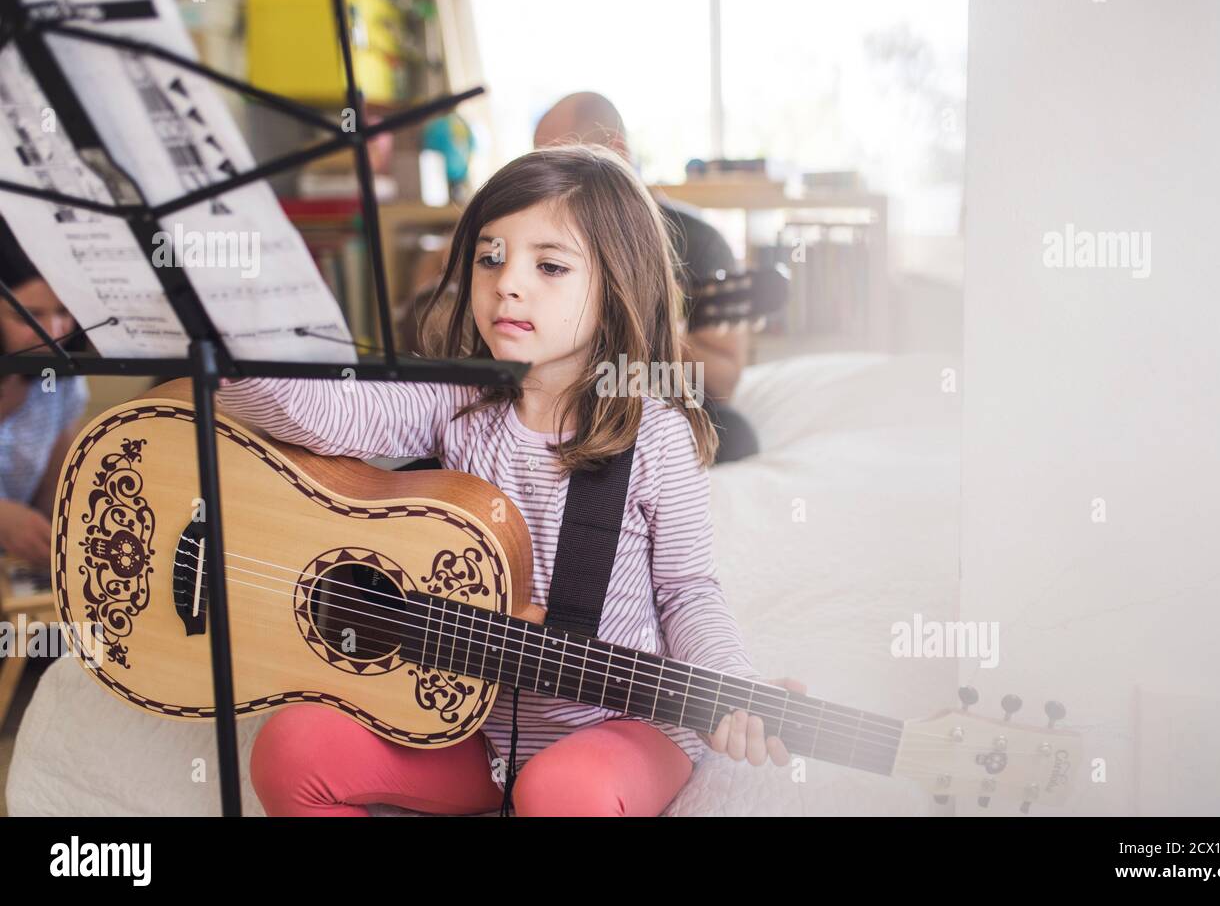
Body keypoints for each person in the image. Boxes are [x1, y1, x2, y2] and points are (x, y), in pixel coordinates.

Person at [216, 145, 804, 816]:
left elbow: (688, 592)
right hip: (472, 720)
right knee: (293, 747)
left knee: (559, 792)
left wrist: (731, 684)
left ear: (618, 284)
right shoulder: (459, 405)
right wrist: (230, 348)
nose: (508, 283)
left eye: (548, 265)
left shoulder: (657, 435)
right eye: (490, 257)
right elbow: (328, 415)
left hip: (623, 723)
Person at [533, 92, 761, 463]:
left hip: (646, 403)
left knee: (733, 433)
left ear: (617, 151)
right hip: (558, 403)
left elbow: (721, 382)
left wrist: (639, 328)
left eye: (563, 163)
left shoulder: (698, 242)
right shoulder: (539, 239)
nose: (547, 181)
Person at [0, 219, 88, 570]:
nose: (53, 333)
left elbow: (55, 499)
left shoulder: (62, 385)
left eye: (64, 312)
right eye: (29, 317)